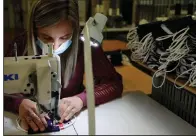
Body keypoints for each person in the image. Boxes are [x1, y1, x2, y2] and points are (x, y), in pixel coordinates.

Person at [4, 0, 123, 132]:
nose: (55, 46)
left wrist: (81, 99)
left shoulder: (85, 45)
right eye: (46, 37)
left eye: (65, 37)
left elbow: (114, 84)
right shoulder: (20, 46)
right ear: (34, 30)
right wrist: (18, 103)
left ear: (75, 29)